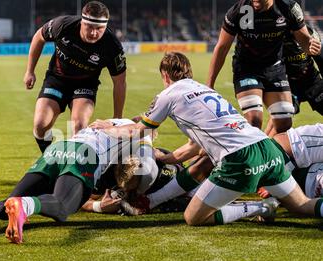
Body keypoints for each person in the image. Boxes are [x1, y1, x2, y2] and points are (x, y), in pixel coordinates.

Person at [91, 52, 323, 226]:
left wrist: (107, 127)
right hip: (267, 147)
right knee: (302, 205)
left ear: (164, 75)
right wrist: (170, 157)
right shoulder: (206, 90)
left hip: (241, 159)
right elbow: (195, 146)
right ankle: (153, 201)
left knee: (193, 217)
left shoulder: (168, 94)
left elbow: (138, 131)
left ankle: (260, 207)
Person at [0, 119, 158, 244]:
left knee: (6, 205)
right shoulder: (138, 131)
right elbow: (143, 164)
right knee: (63, 207)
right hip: (84, 154)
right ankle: (25, 206)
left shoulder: (108, 121)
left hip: (57, 150)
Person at [24, 1, 127, 153]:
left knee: (79, 127)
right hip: (56, 80)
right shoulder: (63, 25)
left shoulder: (112, 46)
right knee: (40, 125)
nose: (93, 33)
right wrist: (29, 71)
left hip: (85, 85)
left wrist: (117, 119)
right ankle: (49, 157)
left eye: (99, 29)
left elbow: (120, 83)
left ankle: (72, 167)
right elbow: (39, 37)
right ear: (82, 22)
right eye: (89, 27)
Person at [207, 0, 321, 136]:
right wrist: (210, 83)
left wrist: (310, 46)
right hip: (247, 68)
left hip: (275, 68)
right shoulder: (239, 10)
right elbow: (222, 47)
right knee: (254, 119)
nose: (255, 2)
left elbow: (304, 40)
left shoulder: (288, 8)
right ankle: (242, 153)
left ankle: (269, 155)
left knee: (284, 124)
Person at [283, 23, 323, 115]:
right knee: (282, 119)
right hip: (288, 85)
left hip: (312, 81)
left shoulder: (309, 33)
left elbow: (320, 59)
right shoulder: (276, 35)